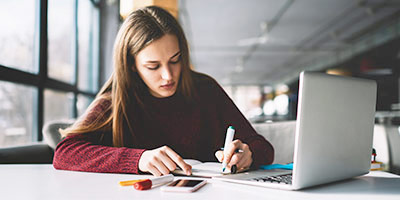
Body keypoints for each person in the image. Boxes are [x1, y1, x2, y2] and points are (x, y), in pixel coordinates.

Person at [53, 6, 274, 176]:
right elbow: (64, 153)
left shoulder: (205, 90)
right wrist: (138, 159)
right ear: (131, 64)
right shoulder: (115, 101)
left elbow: (263, 147)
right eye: (153, 66)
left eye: (175, 60)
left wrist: (247, 155)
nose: (168, 76)